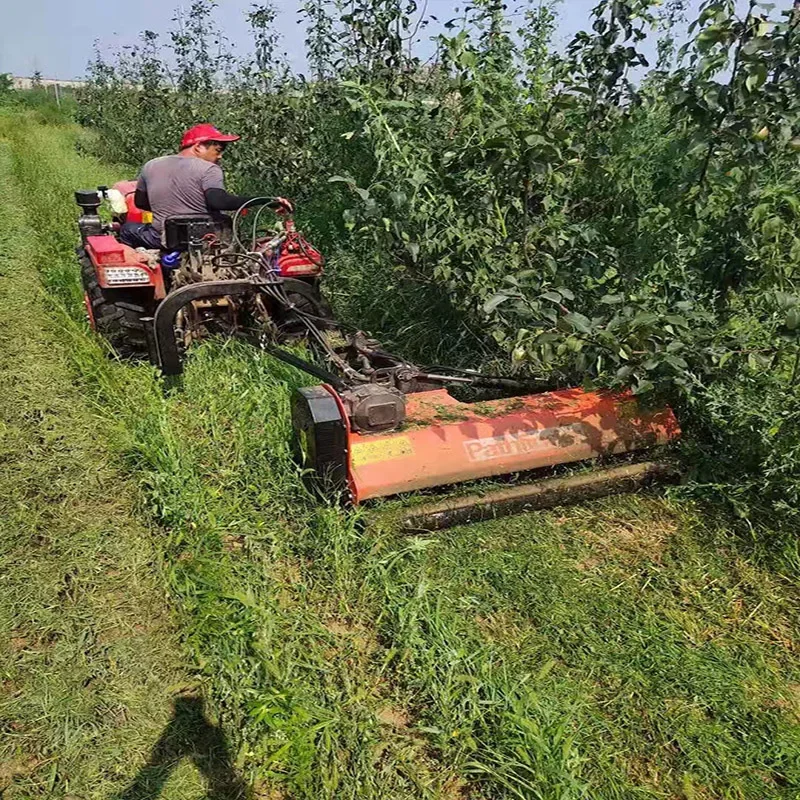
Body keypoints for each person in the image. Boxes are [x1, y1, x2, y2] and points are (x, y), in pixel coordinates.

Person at [119, 123, 289, 249]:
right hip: (209, 240)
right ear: (199, 146)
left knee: (127, 229)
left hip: (163, 240)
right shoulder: (209, 169)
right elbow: (219, 202)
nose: (220, 156)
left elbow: (141, 203)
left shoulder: (151, 165)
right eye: (218, 149)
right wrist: (267, 200)